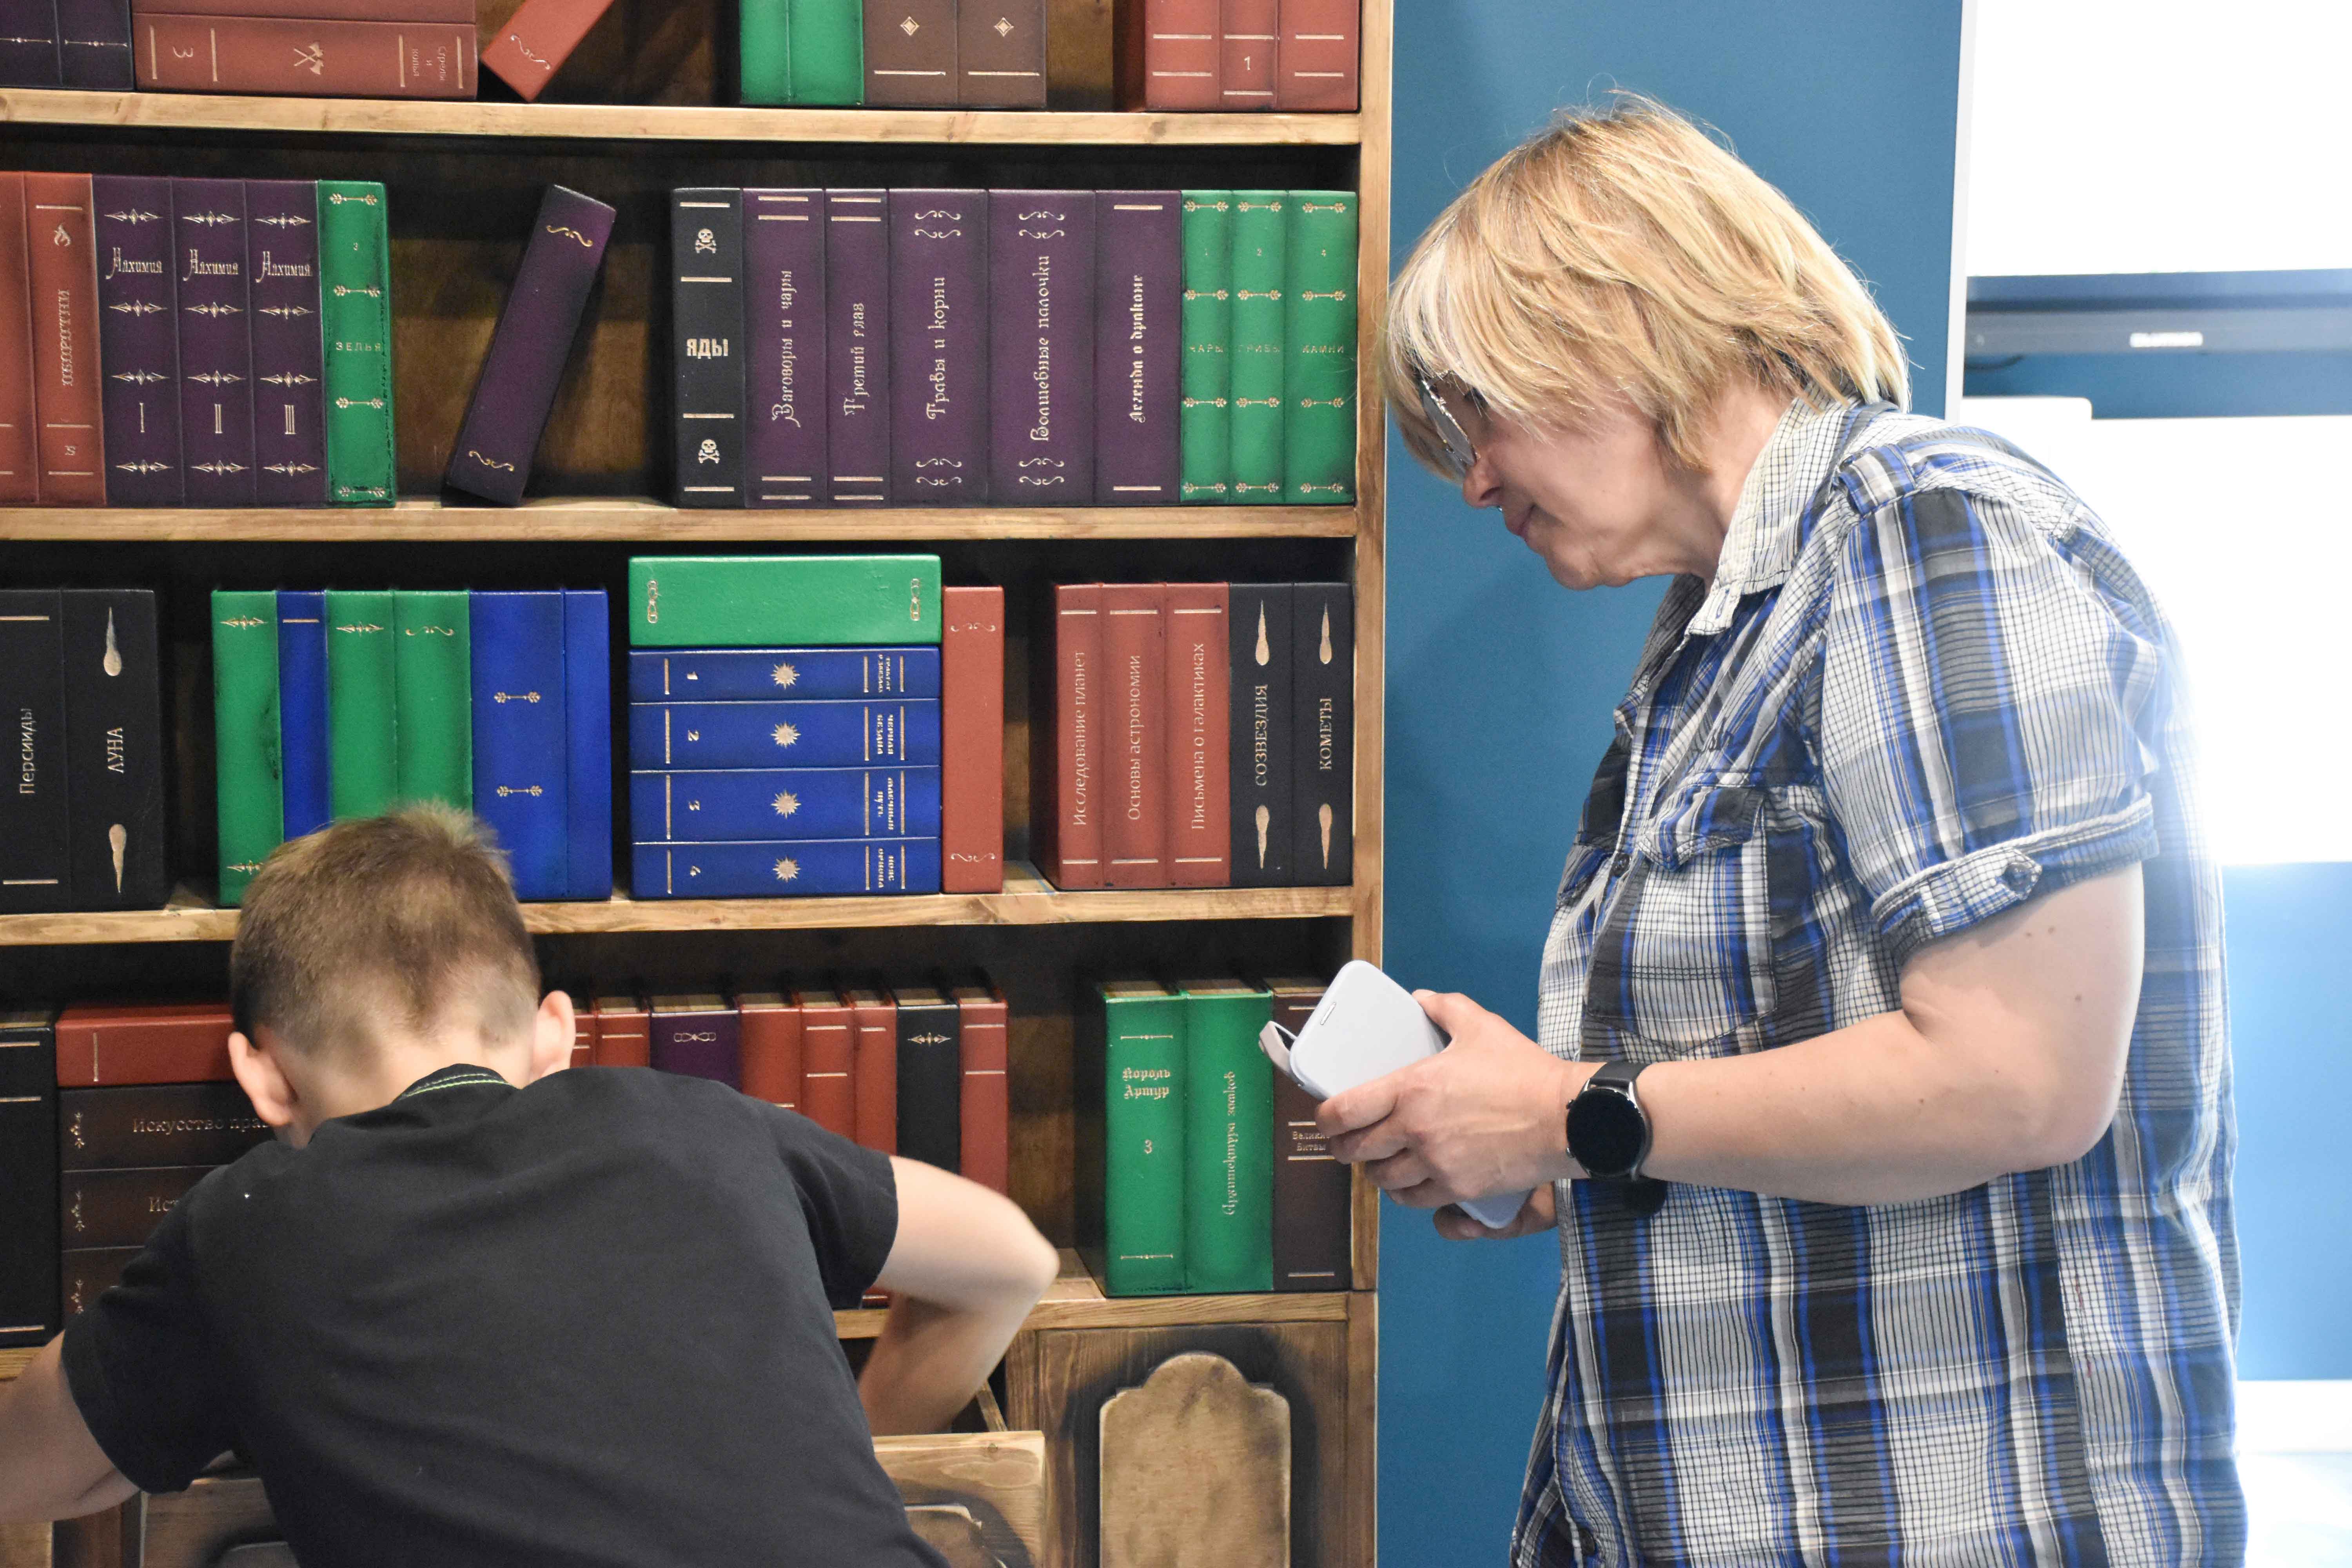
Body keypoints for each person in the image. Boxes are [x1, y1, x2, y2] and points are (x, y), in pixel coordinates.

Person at [1328, 97, 2240, 1565]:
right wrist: (1534, 1141)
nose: (1476, 477)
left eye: (1478, 409)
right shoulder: (1722, 629)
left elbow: (2019, 1081)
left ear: (1616, 325)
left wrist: (1572, 1113)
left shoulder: (1929, 534)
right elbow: (1779, 1091)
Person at [0, 806, 1059, 1564]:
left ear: (260, 1075)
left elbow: (36, 1471)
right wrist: (847, 1454)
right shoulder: (708, 1123)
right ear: (556, 1033)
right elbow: (1012, 1262)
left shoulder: (242, 1225)